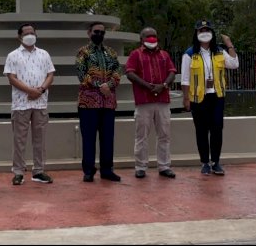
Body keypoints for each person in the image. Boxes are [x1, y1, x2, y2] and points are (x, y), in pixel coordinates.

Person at [181, 19, 239, 176]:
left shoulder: (220, 51)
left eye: (207, 30)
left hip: (217, 96)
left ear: (212, 33)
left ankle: (216, 162)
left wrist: (229, 44)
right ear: (197, 33)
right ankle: (205, 163)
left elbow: (234, 64)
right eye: (201, 30)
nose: (204, 33)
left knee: (217, 130)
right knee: (201, 131)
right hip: (198, 98)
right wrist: (186, 99)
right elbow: (185, 79)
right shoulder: (189, 53)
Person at [4, 23, 56, 185]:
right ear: (19, 37)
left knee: (39, 139)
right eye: (26, 33)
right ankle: (18, 172)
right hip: (21, 103)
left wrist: (39, 90)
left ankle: (39, 171)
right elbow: (12, 78)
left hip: (40, 103)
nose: (29, 35)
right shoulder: (13, 55)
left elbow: (50, 74)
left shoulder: (44, 54)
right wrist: (29, 91)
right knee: (19, 139)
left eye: (32, 33)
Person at [125, 27, 178, 179]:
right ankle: (140, 166)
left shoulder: (164, 54)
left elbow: (172, 71)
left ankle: (164, 166)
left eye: (154, 36)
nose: (151, 39)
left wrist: (164, 85)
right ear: (141, 39)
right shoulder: (136, 54)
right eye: (148, 36)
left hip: (162, 100)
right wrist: (147, 86)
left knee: (164, 135)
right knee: (141, 135)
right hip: (144, 100)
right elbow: (130, 72)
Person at [75, 21, 122, 182]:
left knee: (108, 138)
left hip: (108, 102)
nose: (99, 35)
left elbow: (117, 71)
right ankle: (88, 171)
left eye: (102, 32)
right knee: (88, 139)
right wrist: (99, 86)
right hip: (88, 103)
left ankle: (107, 170)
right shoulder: (83, 52)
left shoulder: (111, 52)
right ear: (89, 33)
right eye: (96, 32)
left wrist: (108, 85)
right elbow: (82, 75)